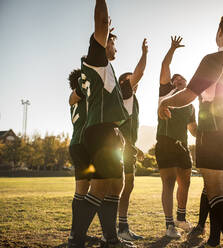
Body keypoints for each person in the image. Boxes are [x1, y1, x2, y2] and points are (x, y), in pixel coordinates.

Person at [158, 1, 223, 247]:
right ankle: (221, 238)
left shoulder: (213, 59)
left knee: (215, 191)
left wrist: (164, 103)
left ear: (218, 32)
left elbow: (188, 95)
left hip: (213, 132)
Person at [70, 0, 135, 247]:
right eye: (113, 42)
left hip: (107, 131)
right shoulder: (96, 60)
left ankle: (110, 238)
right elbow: (100, 21)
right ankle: (76, 239)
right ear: (104, 41)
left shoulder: (104, 68)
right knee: (99, 188)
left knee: (115, 185)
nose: (115, 47)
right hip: (100, 132)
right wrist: (104, 18)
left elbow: (75, 97)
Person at [156, 36, 198, 238]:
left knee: (186, 182)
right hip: (165, 143)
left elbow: (193, 130)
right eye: (175, 79)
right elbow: (165, 64)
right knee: (169, 183)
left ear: (187, 84)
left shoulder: (190, 104)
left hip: (183, 146)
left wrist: (209, 137)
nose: (178, 80)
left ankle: (180, 218)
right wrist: (172, 48)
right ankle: (169, 225)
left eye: (182, 80)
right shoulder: (166, 92)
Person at [117, 38, 148, 241]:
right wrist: (144, 54)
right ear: (124, 82)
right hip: (119, 150)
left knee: (127, 187)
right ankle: (114, 229)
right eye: (130, 79)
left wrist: (136, 148)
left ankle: (122, 227)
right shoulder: (124, 91)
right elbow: (140, 73)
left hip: (129, 148)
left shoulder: (133, 99)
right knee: (118, 188)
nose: (134, 82)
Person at [67, 69, 91, 247]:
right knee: (89, 189)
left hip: (79, 143)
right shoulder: (80, 92)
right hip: (84, 144)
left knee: (83, 191)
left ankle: (77, 232)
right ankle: (77, 233)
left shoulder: (76, 96)